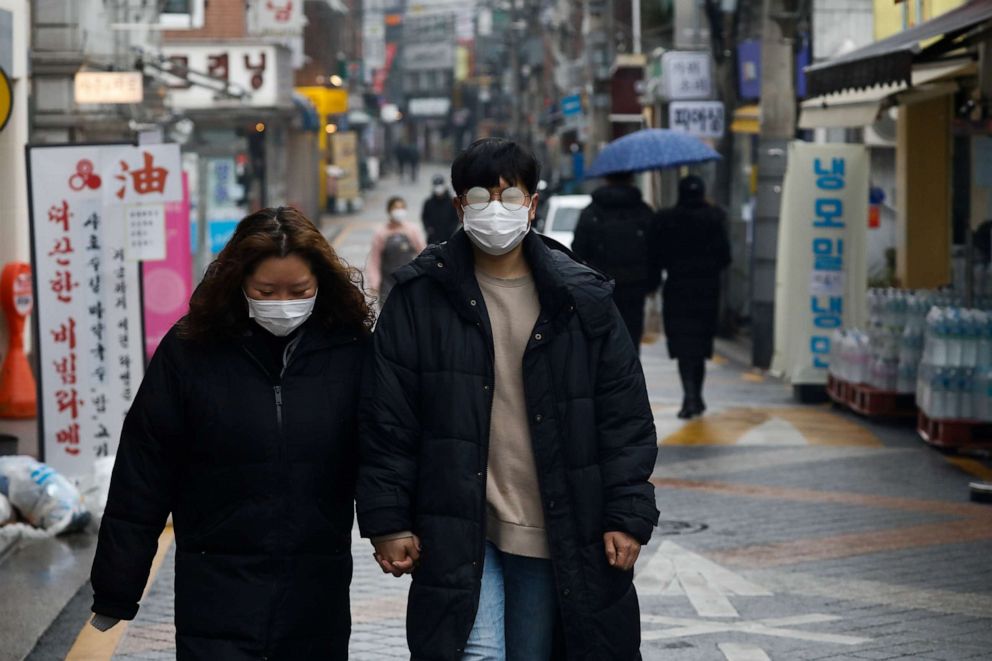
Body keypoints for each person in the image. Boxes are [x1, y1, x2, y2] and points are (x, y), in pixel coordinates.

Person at [357, 138, 659, 660]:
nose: (496, 209)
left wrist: (628, 513)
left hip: (552, 522)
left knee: (531, 652)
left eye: (510, 196)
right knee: (477, 653)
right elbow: (387, 419)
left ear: (533, 204)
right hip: (455, 525)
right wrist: (388, 520)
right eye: (479, 197)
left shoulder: (580, 299)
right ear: (458, 207)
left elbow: (624, 415)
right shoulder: (419, 297)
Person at [89, 207, 372, 659]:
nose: (283, 302)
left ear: (322, 283)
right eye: (266, 290)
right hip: (214, 582)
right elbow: (143, 469)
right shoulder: (190, 351)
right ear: (238, 283)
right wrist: (116, 586)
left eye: (299, 290)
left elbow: (384, 449)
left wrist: (392, 527)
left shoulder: (351, 350)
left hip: (316, 584)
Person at [655, 175, 731, 419]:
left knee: (683, 345)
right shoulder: (715, 218)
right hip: (707, 291)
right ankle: (695, 395)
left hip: (678, 289)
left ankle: (690, 395)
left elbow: (658, 254)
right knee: (699, 346)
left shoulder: (667, 219)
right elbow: (725, 257)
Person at [572, 171, 659, 351]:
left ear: (606, 178)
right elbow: (655, 251)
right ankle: (631, 373)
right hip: (636, 284)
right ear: (631, 178)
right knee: (631, 335)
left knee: (603, 336)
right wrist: (652, 284)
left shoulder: (592, 211)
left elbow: (578, 250)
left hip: (601, 284)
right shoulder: (643, 211)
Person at [367, 196, 427, 307]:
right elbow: (374, 261)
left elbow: (423, 253)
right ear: (389, 210)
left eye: (402, 208)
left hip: (408, 282)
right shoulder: (381, 233)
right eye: (396, 208)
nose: (399, 211)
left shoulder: (412, 230)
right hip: (387, 283)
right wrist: (374, 282)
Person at [421, 174, 460, 244]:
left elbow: (457, 218)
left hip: (449, 238)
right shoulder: (428, 202)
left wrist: (451, 230)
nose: (438, 188)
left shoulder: (452, 202)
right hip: (432, 239)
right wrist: (428, 228)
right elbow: (425, 217)